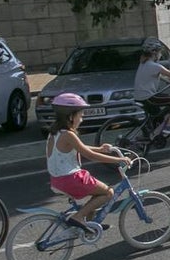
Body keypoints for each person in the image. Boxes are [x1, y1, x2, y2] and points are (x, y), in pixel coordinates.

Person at [45, 93, 133, 232]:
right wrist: (119, 160)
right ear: (70, 116)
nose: (82, 119)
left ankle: (91, 224)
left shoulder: (55, 132)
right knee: (108, 192)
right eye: (80, 115)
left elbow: (79, 148)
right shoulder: (69, 134)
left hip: (57, 179)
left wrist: (100, 149)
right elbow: (90, 155)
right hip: (71, 178)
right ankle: (78, 217)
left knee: (97, 193)